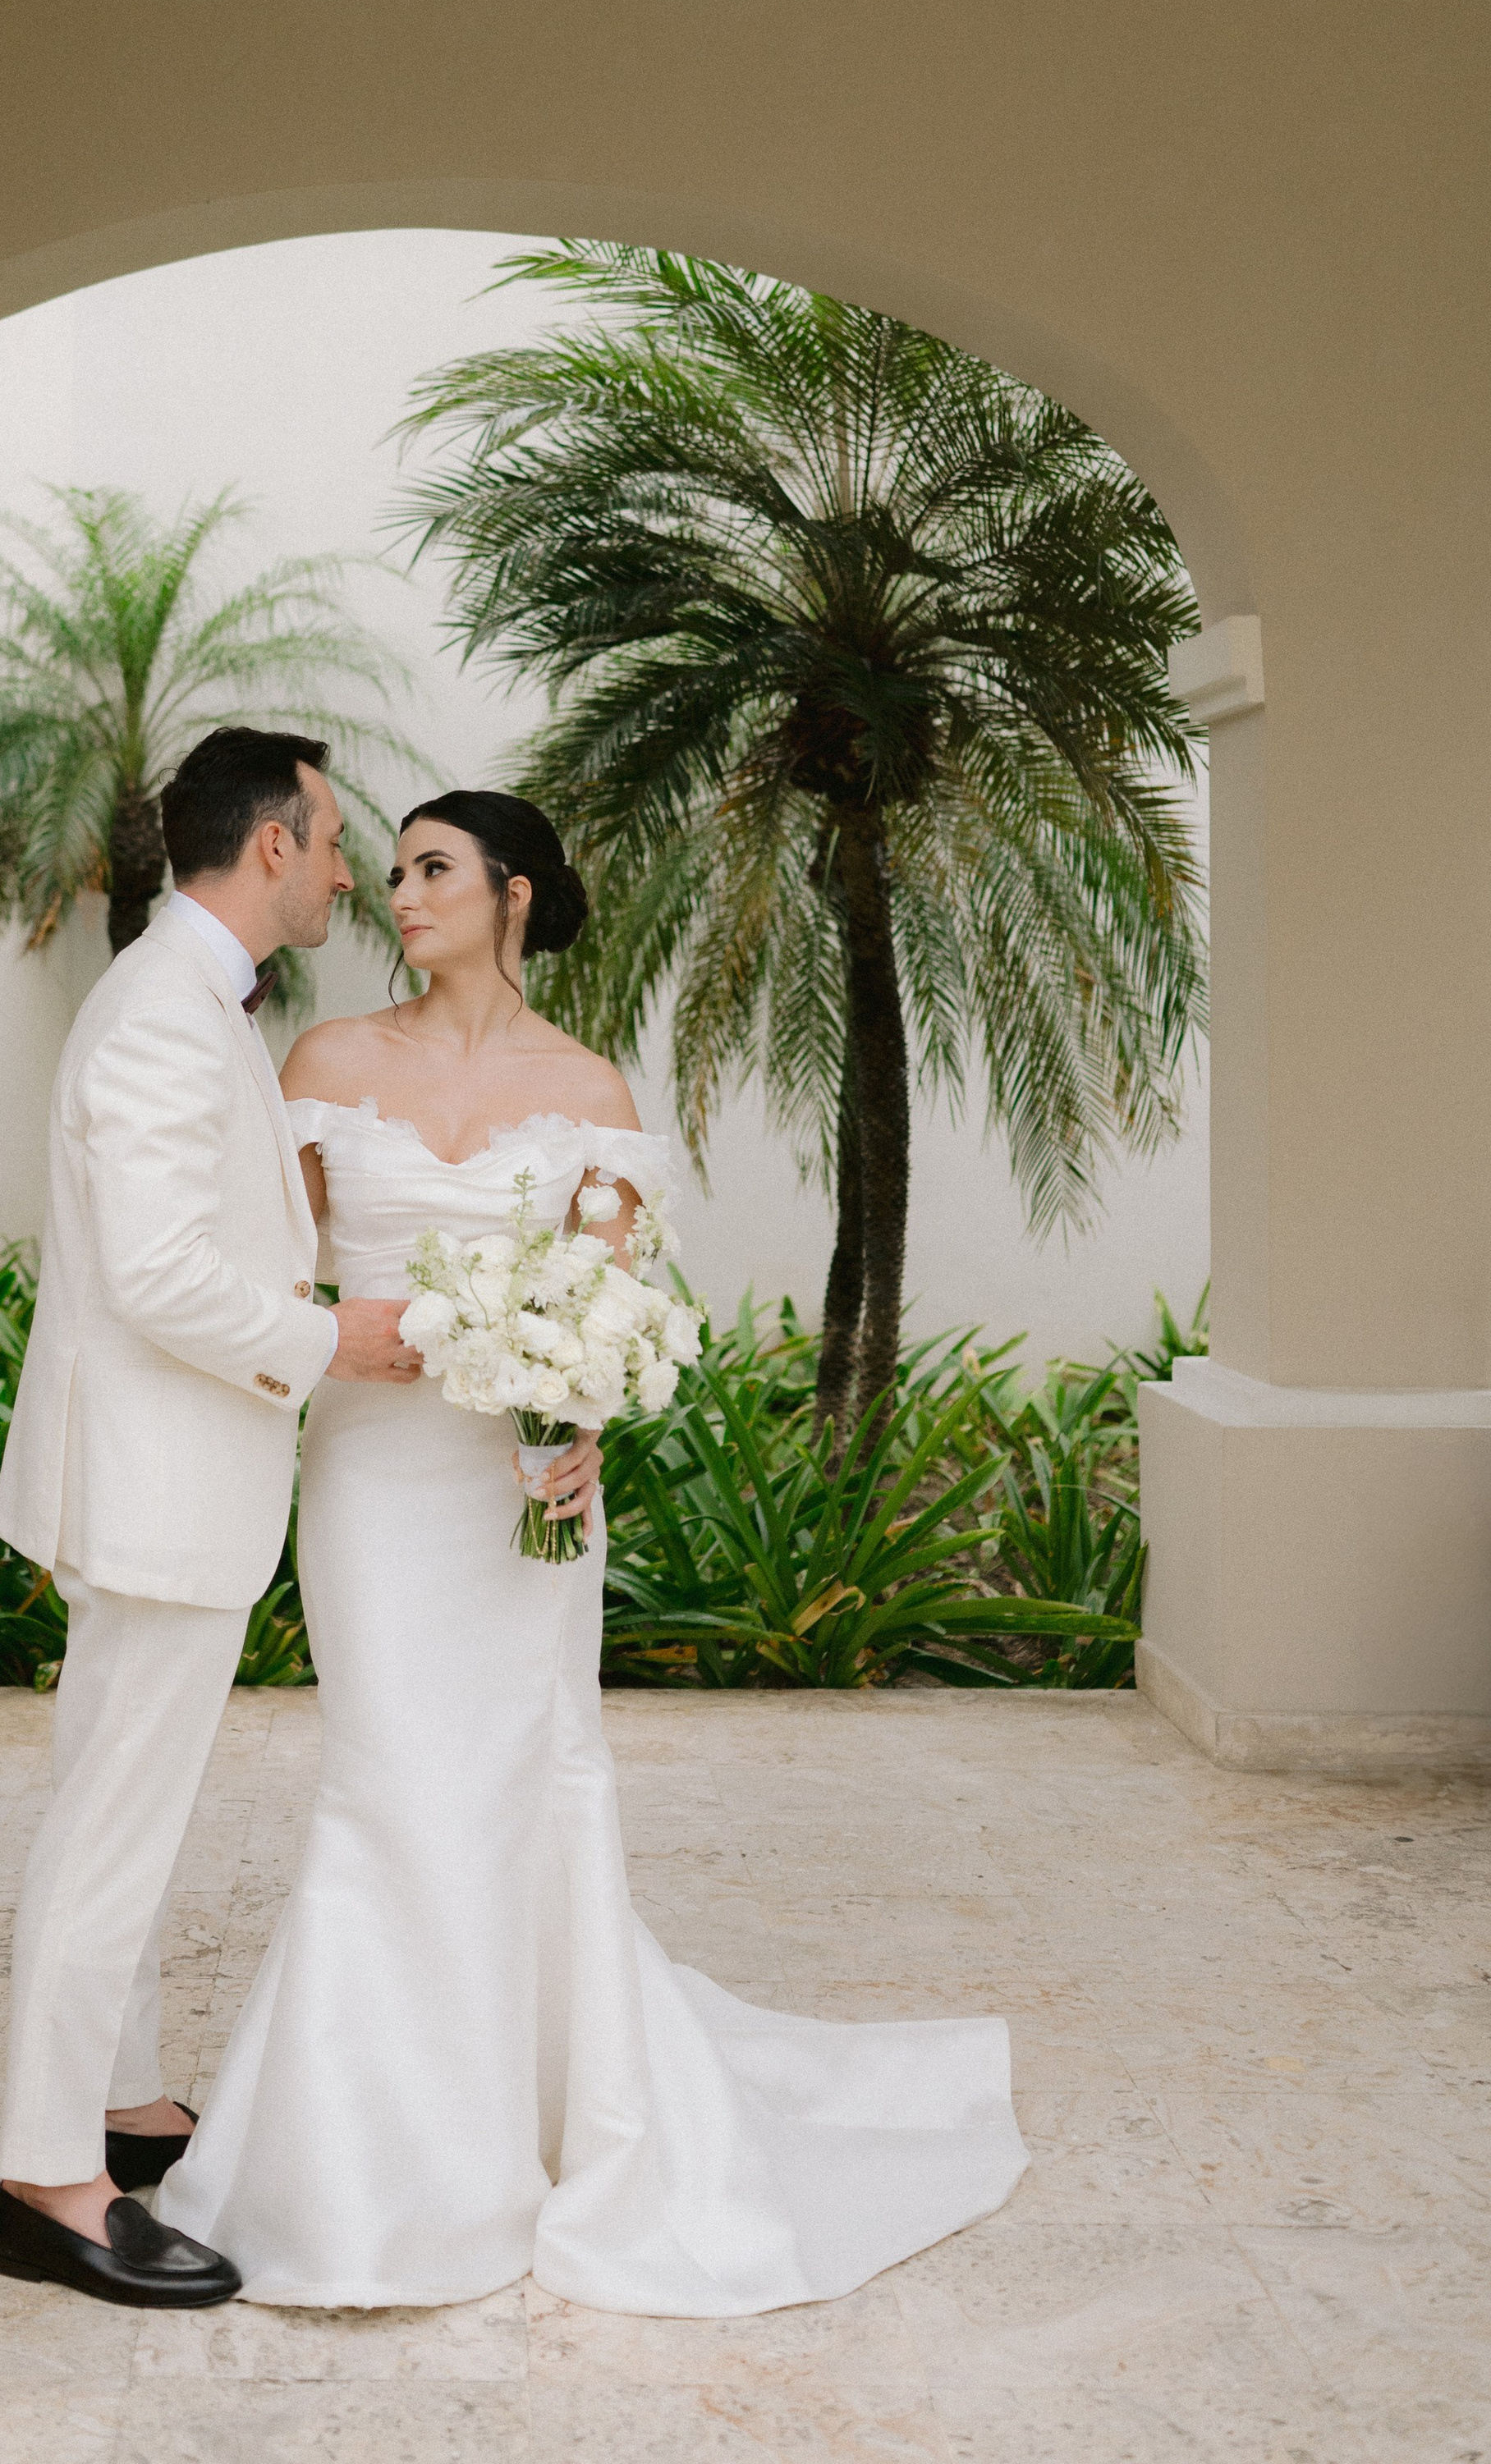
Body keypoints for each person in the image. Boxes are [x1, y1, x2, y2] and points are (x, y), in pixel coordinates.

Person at [157, 790, 1029, 2313]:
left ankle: (552, 2123)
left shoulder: (588, 1084)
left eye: (433, 871)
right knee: (388, 1777)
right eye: (396, 870)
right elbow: (271, 1268)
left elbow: (600, 1295)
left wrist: (576, 1419)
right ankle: (372, 2164)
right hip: (370, 1476)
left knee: (523, 1779)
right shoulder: (326, 1062)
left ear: (514, 894)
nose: (401, 895)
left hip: (521, 1489)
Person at [0, 727, 423, 2310]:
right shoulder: (165, 1017)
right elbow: (163, 1273)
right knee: (111, 1823)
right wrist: (333, 1340)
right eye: (328, 838)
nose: (348, 868)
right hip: (163, 1482)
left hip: (172, 1473)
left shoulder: (192, 995)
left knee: (130, 1811)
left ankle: (117, 2098)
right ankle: (48, 2182)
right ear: (269, 846)